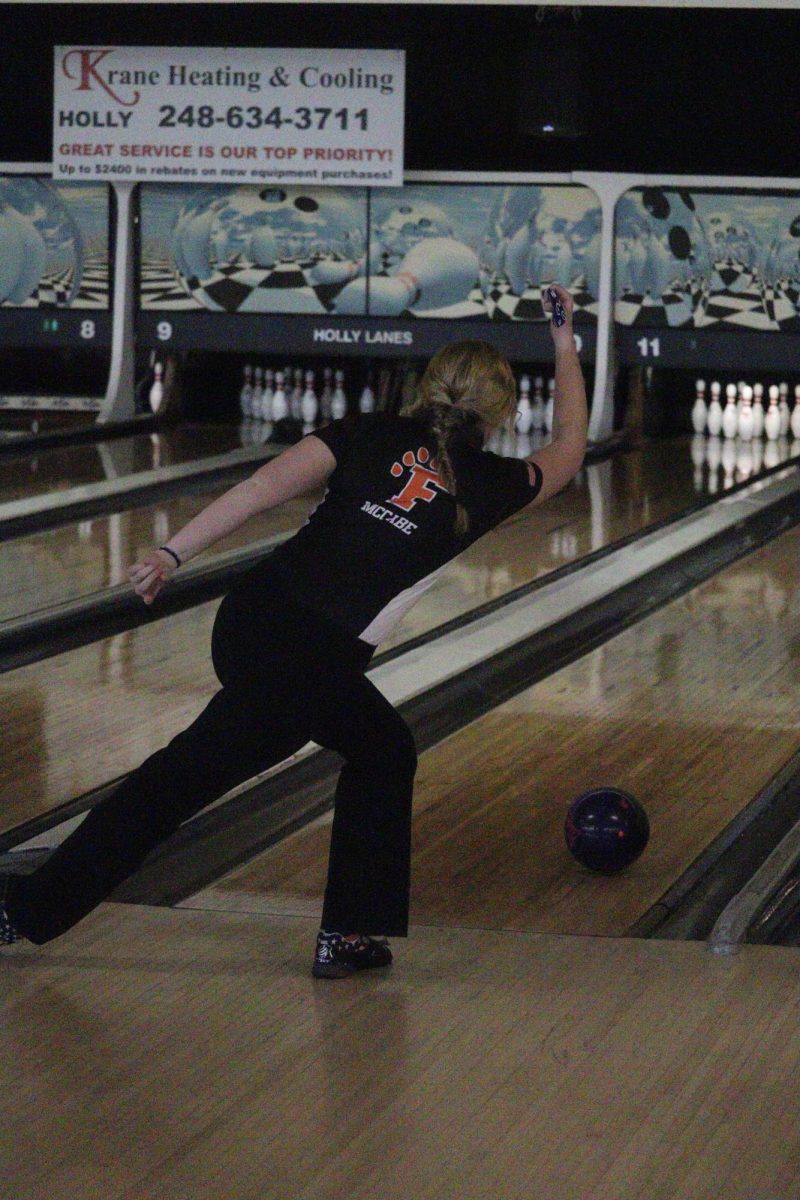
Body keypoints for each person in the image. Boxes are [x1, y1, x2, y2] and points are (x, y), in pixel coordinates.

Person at [1, 283, 587, 978]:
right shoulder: (489, 485)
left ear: (424, 387)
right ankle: (340, 935)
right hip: (309, 658)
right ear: (501, 414)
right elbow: (572, 447)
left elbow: (259, 491)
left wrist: (171, 553)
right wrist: (562, 338)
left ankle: (31, 907)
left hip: (255, 620)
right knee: (344, 756)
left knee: (268, 764)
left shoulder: (369, 431)